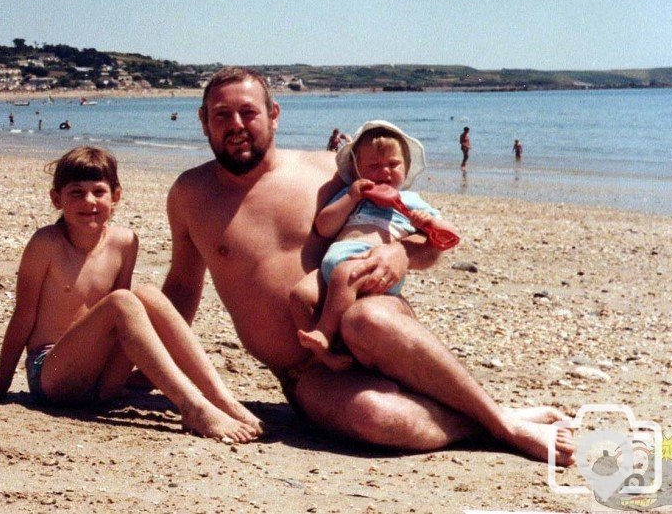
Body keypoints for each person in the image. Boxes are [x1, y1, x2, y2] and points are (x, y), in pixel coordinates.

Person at [161, 67, 574, 463]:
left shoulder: (329, 171)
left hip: (371, 315)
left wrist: (401, 253)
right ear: (203, 121)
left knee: (365, 321)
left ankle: (504, 425)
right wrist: (149, 365)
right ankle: (490, 421)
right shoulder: (190, 195)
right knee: (373, 417)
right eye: (222, 115)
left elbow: (429, 239)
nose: (236, 124)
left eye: (248, 112)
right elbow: (181, 288)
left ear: (274, 114)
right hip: (304, 371)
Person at [0, 146, 262, 443]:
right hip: (52, 375)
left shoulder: (125, 241)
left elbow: (128, 326)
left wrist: (145, 372)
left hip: (104, 383)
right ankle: (193, 407)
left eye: (99, 192)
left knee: (144, 294)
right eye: (76, 193)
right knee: (122, 300)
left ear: (116, 196)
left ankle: (224, 401)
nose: (89, 202)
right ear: (57, 199)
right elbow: (23, 316)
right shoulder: (46, 244)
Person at [292, 121, 459, 370]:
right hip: (335, 269)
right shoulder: (352, 196)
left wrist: (430, 222)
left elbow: (451, 235)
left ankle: (325, 334)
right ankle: (327, 357)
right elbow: (324, 226)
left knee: (344, 274)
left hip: (373, 267)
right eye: (373, 166)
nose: (384, 172)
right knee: (299, 295)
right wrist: (351, 197)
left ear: (407, 167)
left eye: (393, 164)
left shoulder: (410, 201)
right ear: (358, 171)